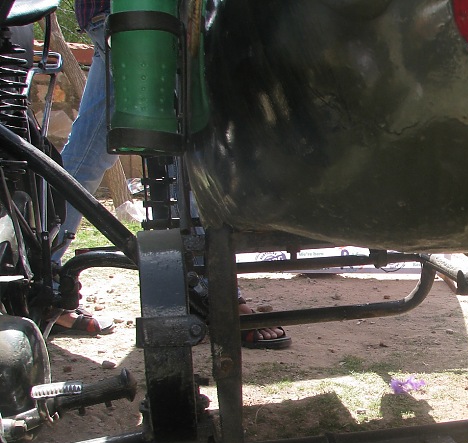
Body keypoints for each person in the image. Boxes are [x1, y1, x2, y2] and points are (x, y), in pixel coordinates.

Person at [50, 0, 290, 348]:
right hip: (160, 9)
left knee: (88, 150)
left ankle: (44, 283)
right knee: (195, 144)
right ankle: (211, 289)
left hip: (119, 10)